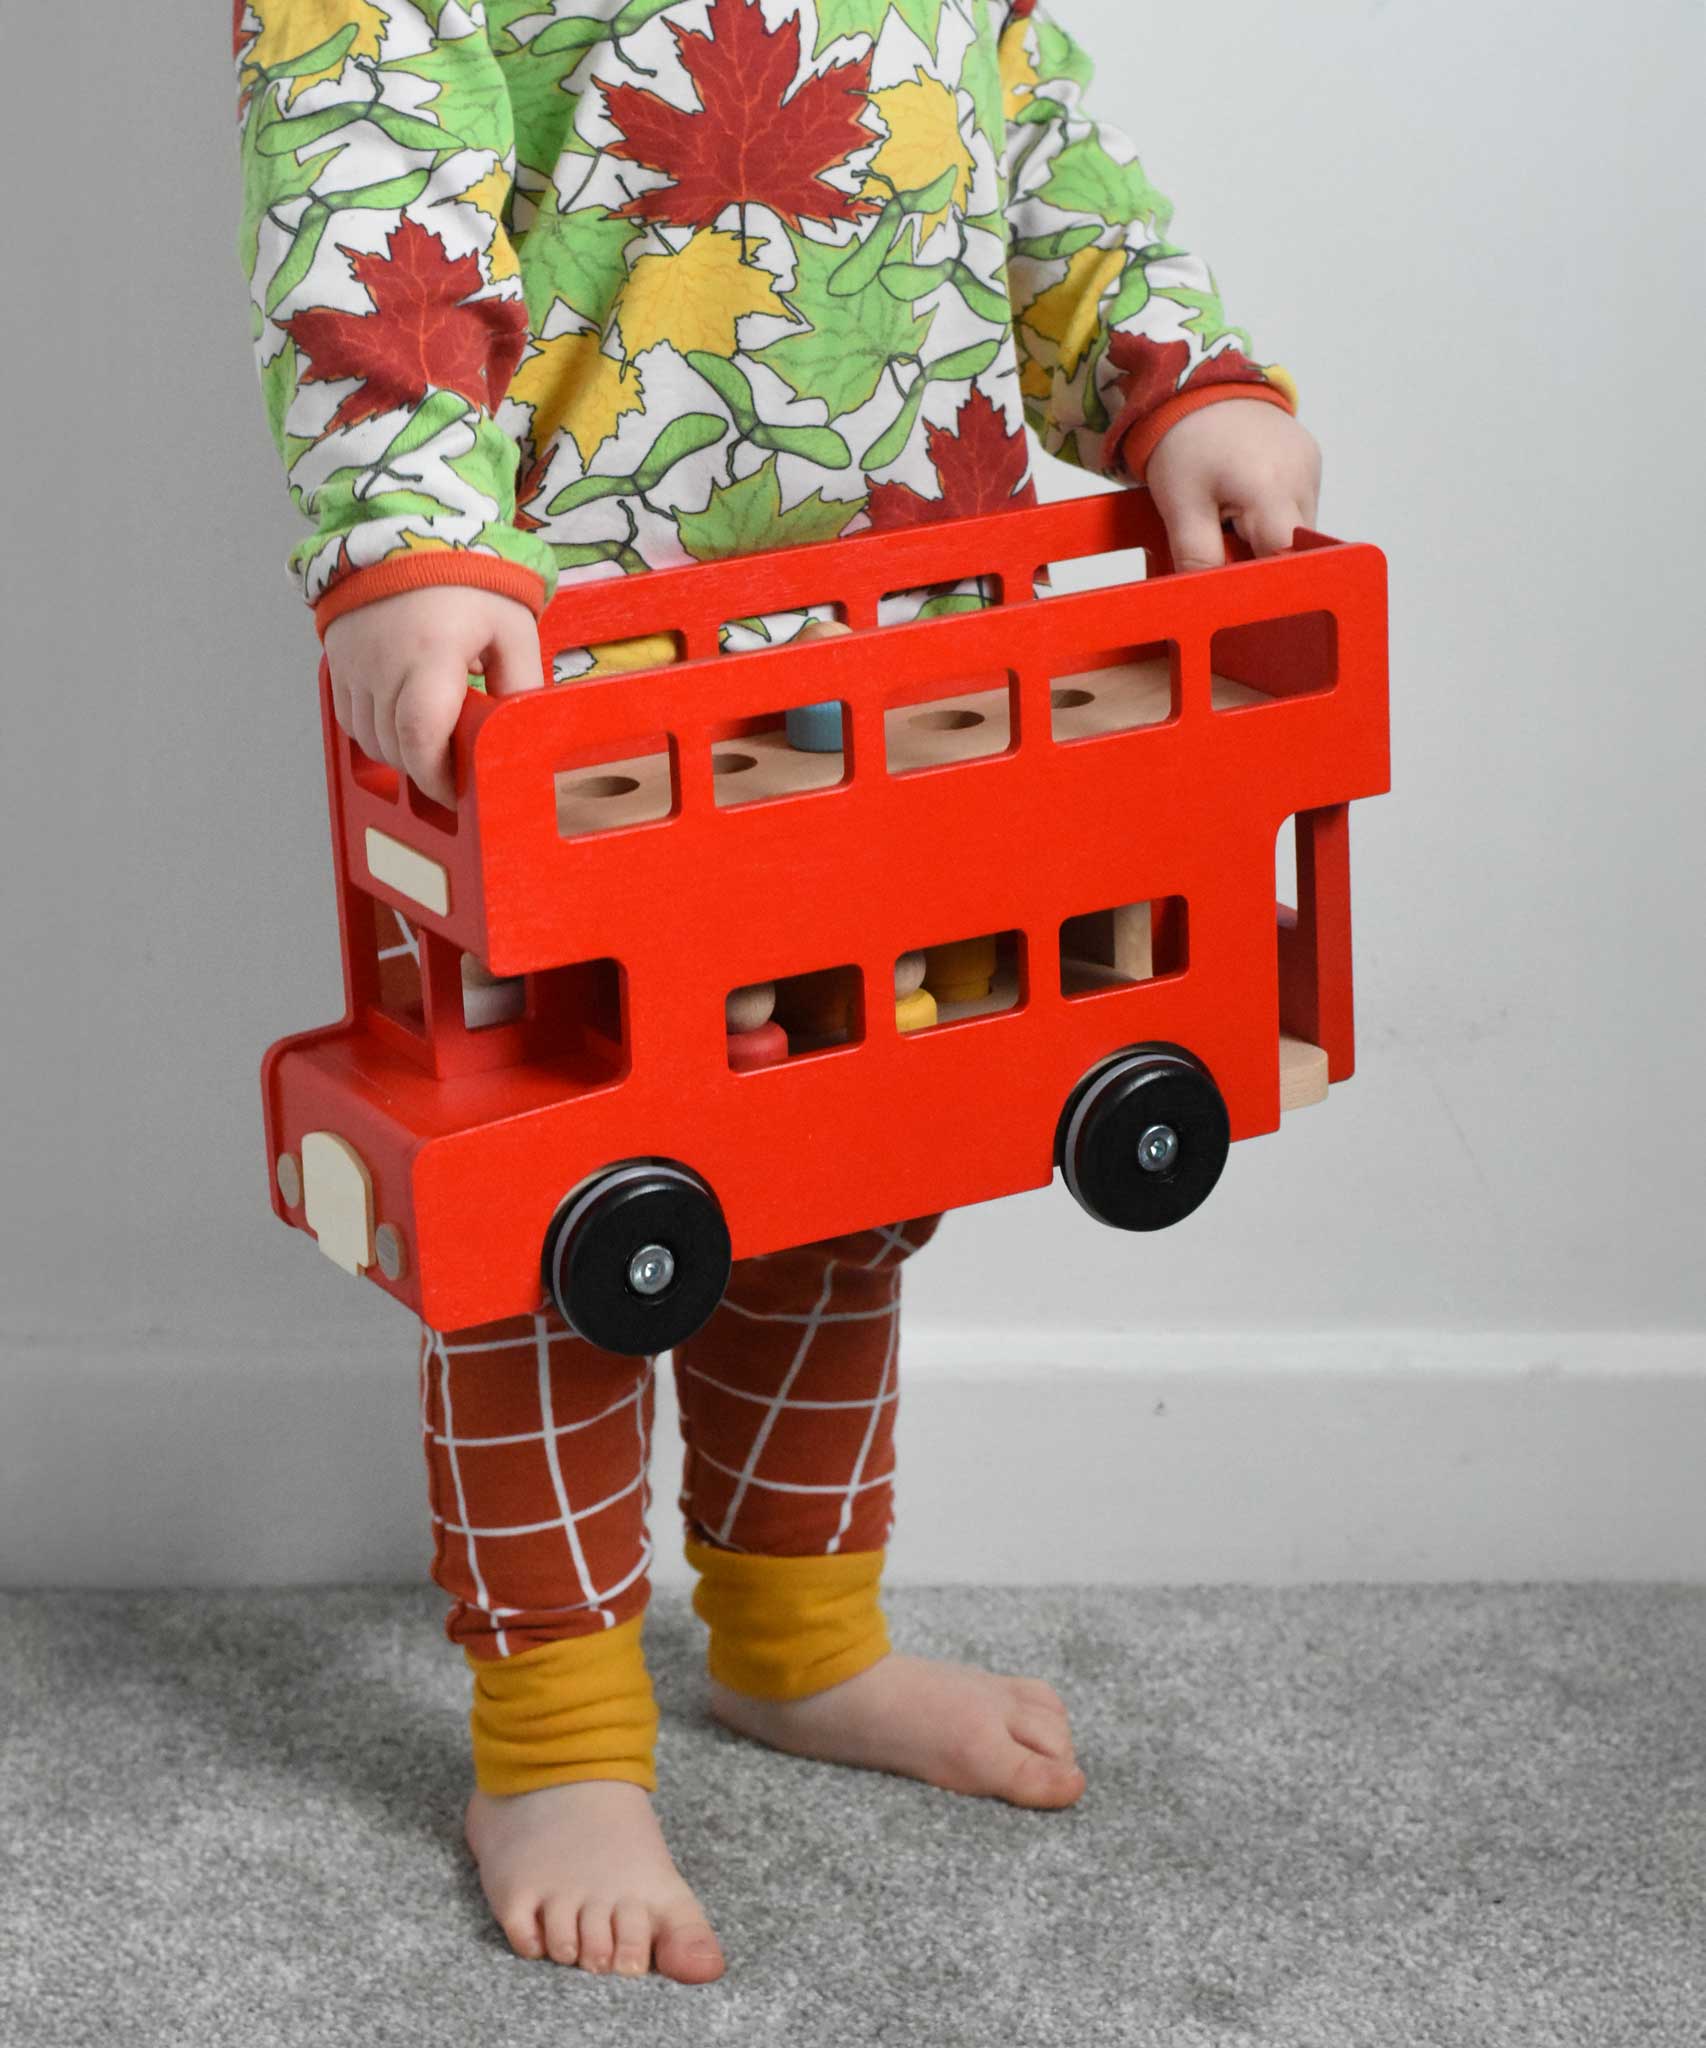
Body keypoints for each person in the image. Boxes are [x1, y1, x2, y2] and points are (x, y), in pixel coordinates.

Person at [233, 0, 1320, 1984]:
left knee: (843, 1155)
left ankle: (799, 1633)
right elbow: (359, 139)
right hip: (553, 681)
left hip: (905, 654)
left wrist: (1177, 379)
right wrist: (405, 536)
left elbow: (1031, 143)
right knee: (560, 1216)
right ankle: (553, 1738)